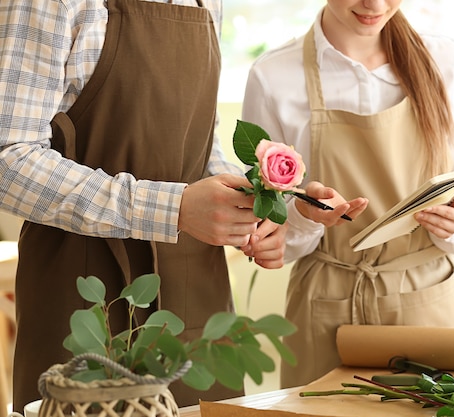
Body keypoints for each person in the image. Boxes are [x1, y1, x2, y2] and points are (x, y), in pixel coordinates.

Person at [0, 0, 287, 412]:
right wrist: (173, 208)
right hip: (81, 289)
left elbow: (201, 141)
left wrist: (250, 211)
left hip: (195, 287)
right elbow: (8, 156)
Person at [241, 0, 454, 388]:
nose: (374, 4)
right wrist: (306, 216)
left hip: (432, 300)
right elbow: (269, 235)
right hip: (327, 310)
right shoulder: (274, 77)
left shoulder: (444, 60)